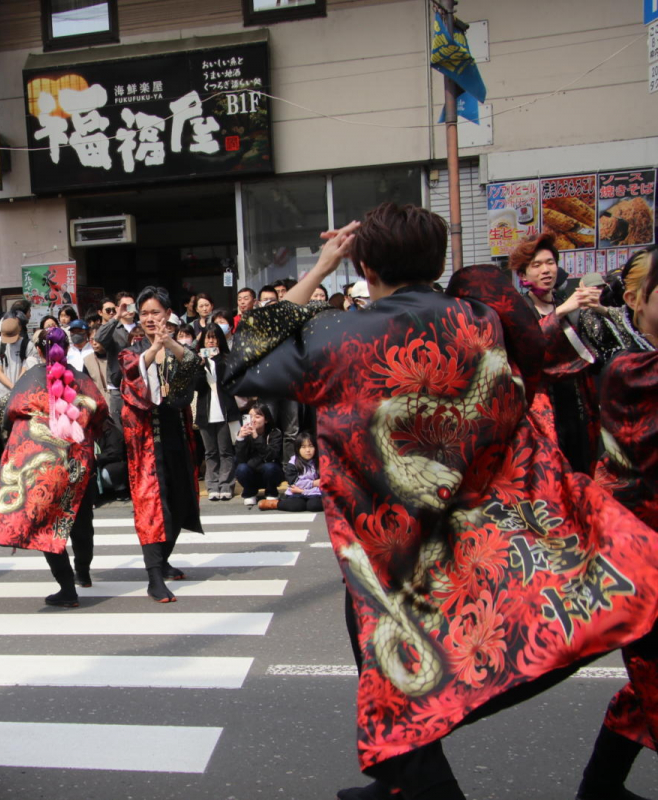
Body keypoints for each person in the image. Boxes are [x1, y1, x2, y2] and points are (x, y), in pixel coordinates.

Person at [222, 203, 658, 800]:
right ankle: (405, 781)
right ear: (438, 259)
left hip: (391, 552)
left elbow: (243, 362)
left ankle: (417, 783)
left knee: (395, 669)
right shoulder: (480, 319)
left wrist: (323, 265)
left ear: (364, 263)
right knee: (467, 655)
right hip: (485, 537)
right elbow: (518, 328)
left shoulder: (333, 338)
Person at [578, 247, 658, 800]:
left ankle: (598, 789)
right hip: (645, 563)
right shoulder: (629, 373)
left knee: (646, 691)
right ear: (635, 302)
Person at [0, 326, 107, 607]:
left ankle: (67, 588)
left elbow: (7, 414)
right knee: (81, 521)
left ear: (40, 351)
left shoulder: (29, 379)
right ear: (66, 348)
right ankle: (84, 572)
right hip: (79, 461)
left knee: (48, 524)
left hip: (42, 465)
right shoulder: (82, 380)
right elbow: (102, 412)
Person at [118, 285, 203, 603]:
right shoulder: (133, 350)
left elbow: (192, 376)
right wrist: (154, 348)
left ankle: (164, 561)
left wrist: (169, 345)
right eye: (145, 313)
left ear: (168, 314)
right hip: (146, 446)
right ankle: (154, 576)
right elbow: (130, 376)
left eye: (156, 312)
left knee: (181, 505)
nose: (150, 318)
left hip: (177, 437)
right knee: (154, 509)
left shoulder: (177, 346)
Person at [510, 233, 604, 475]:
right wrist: (562, 311)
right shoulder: (519, 310)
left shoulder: (569, 303)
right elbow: (527, 348)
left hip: (577, 397)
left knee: (582, 462)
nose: (546, 270)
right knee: (552, 470)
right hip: (542, 404)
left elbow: (597, 348)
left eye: (550, 263)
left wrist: (599, 309)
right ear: (523, 275)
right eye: (536, 265)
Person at [194, 324, 240, 501]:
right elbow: (197, 386)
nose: (211, 340)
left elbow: (228, 381)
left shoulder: (227, 359)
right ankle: (212, 486)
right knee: (210, 452)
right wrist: (201, 365)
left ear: (220, 340)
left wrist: (217, 360)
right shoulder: (198, 361)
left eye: (214, 337)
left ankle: (226, 485)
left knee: (226, 451)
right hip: (206, 412)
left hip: (225, 411)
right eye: (208, 337)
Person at [94, 291, 138, 423]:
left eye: (132, 306)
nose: (129, 310)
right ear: (118, 308)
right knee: (119, 431)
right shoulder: (113, 328)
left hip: (139, 386)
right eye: (125, 306)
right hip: (117, 386)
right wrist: (117, 317)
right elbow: (99, 337)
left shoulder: (141, 327)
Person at [234, 404, 283, 507]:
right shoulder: (244, 432)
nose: (253, 420)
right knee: (241, 467)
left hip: (269, 473)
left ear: (266, 420)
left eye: (257, 416)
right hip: (251, 473)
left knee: (270, 467)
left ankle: (271, 492)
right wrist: (240, 439)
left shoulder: (275, 433)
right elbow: (240, 459)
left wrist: (256, 437)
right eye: (250, 416)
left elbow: (271, 455)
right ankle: (249, 492)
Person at [0, 314, 29, 426]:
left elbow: (26, 368)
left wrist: (17, 388)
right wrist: (13, 387)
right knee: (4, 430)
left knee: (21, 429)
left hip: (23, 395)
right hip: (3, 396)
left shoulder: (28, 345)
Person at [276, 432, 323, 512]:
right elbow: (294, 484)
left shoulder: (320, 461)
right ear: (298, 449)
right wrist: (313, 483)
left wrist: (304, 491)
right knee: (297, 506)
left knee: (314, 506)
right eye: (303, 447)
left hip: (314, 492)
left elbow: (323, 483)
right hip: (296, 493)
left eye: (311, 446)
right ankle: (276, 503)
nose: (308, 450)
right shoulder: (292, 463)